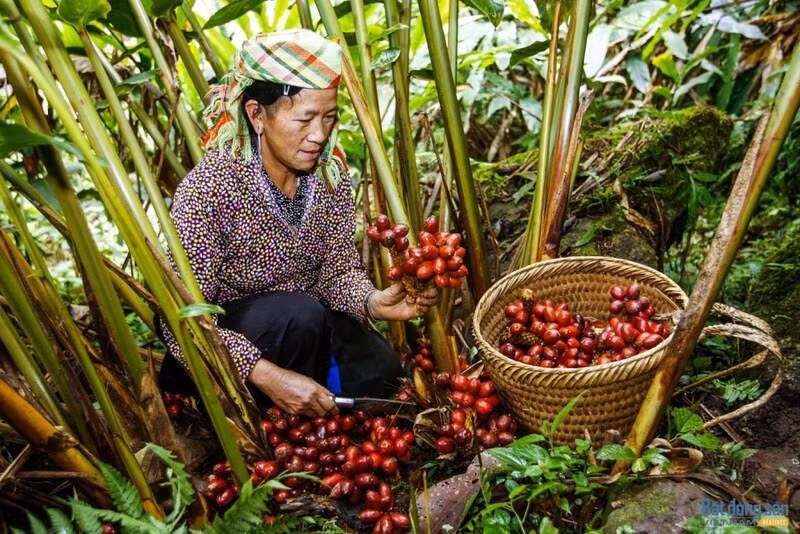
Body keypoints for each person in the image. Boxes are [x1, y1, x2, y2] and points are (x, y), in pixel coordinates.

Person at [157, 30, 437, 417]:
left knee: (382, 379)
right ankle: (248, 417)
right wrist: (264, 373)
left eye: (329, 118)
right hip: (224, 346)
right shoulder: (210, 189)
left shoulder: (329, 179)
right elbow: (180, 321)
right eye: (305, 119)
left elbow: (336, 275)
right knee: (296, 315)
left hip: (310, 328)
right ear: (257, 115)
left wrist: (375, 303)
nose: (319, 135)